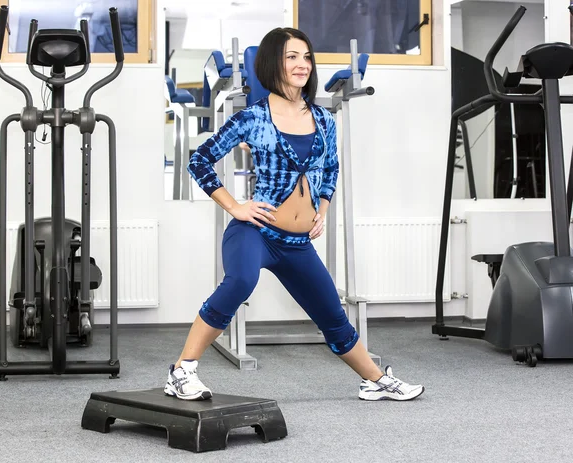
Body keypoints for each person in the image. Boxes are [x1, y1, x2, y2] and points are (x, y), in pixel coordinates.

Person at [164, 27, 424, 402]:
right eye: (291, 57)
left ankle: (376, 380)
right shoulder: (253, 118)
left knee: (332, 316)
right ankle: (181, 371)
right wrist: (235, 206)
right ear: (273, 63)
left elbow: (330, 169)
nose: (302, 64)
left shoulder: (323, 119)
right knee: (240, 281)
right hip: (256, 232)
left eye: (306, 57)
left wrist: (323, 207)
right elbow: (200, 160)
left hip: (296, 242)